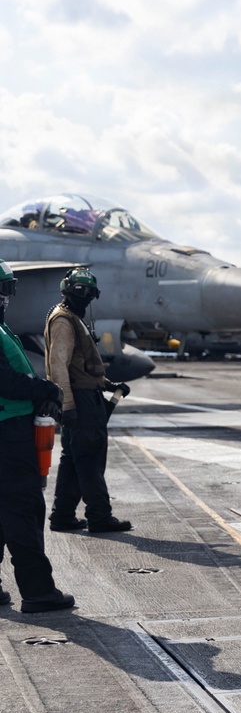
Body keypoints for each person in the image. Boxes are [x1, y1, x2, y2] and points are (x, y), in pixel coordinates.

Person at [0, 259, 75, 613]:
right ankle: (38, 591)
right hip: (7, 434)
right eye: (4, 290)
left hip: (9, 428)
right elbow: (6, 382)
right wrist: (46, 389)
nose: (7, 299)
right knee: (23, 509)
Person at [45, 267, 132, 534]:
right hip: (80, 402)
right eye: (79, 291)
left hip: (85, 396)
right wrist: (68, 405)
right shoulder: (64, 321)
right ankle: (99, 516)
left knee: (74, 459)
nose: (84, 297)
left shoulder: (73, 319)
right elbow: (59, 366)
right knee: (90, 459)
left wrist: (108, 385)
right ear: (67, 290)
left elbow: (80, 365)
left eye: (88, 293)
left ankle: (62, 516)